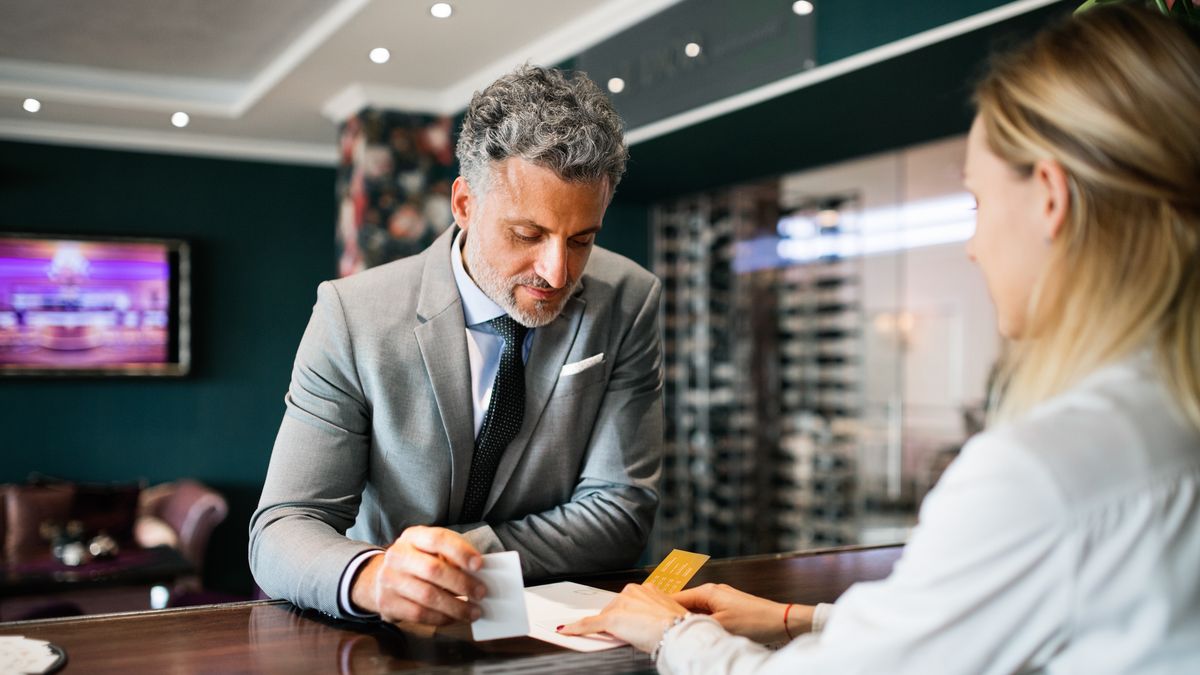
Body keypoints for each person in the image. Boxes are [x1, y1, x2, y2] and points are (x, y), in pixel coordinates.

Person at [560, 4, 1200, 672]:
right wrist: (795, 617)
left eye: (976, 205)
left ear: (1049, 197)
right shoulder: (1166, 421)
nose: (975, 247)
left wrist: (669, 634)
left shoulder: (1040, 473)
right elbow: (994, 613)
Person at [250, 64, 664, 625]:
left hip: (556, 627)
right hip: (384, 629)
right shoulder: (352, 316)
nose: (557, 271)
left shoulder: (629, 299)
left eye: (582, 240)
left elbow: (620, 512)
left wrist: (457, 559)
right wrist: (373, 576)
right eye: (528, 235)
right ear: (465, 204)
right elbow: (282, 528)